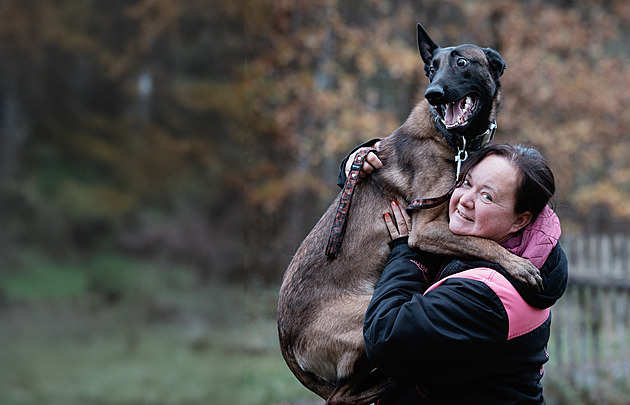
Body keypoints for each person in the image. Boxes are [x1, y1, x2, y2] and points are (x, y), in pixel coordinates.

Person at [339, 143, 568, 404]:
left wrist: (407, 253)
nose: (464, 200)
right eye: (466, 182)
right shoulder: (507, 250)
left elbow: (384, 337)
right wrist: (357, 162)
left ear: (520, 220)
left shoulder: (488, 296)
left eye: (487, 197)